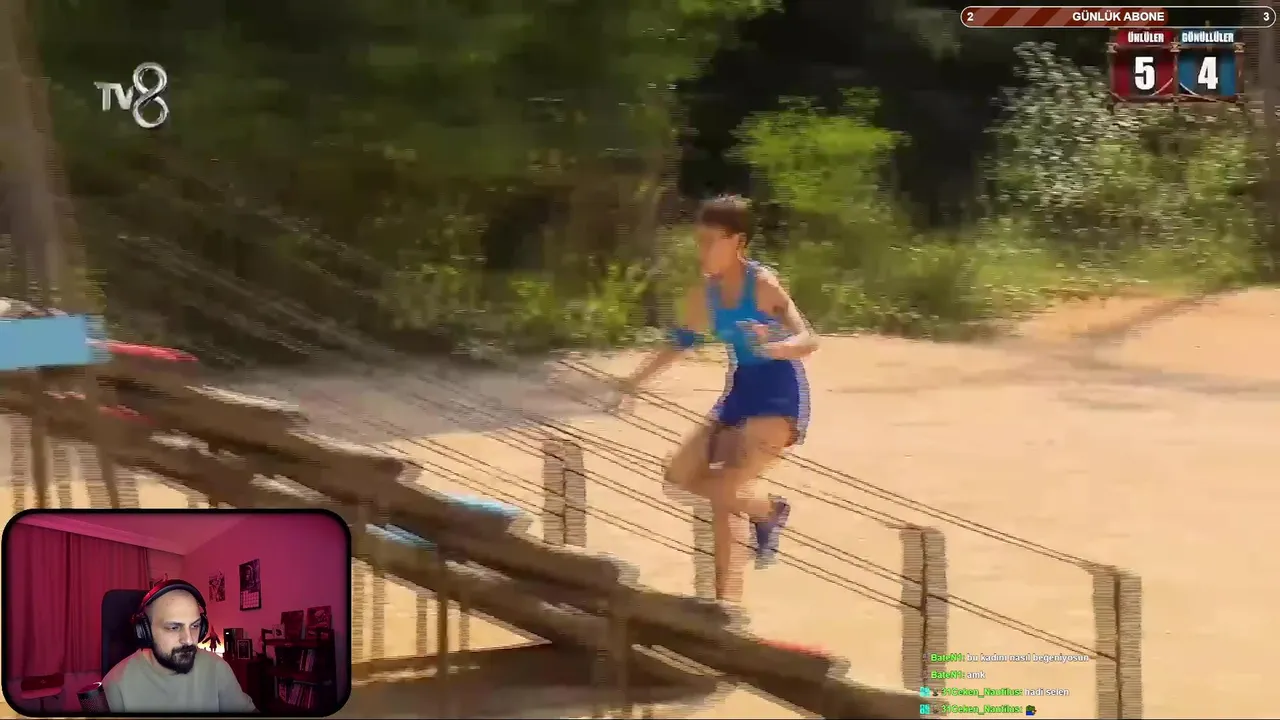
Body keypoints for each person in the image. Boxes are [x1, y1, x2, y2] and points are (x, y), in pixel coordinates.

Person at [614, 194, 818, 602]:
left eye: (711, 241)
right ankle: (768, 510)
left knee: (725, 490)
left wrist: (777, 346)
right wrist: (634, 381)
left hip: (780, 395)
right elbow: (680, 342)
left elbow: (808, 338)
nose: (702, 250)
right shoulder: (704, 294)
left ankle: (726, 604)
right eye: (699, 240)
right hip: (739, 391)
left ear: (737, 242)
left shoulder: (762, 285)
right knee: (679, 476)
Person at [103, 580, 257, 713]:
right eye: (174, 628)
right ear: (145, 632)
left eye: (195, 626)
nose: (189, 640)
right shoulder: (115, 685)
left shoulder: (217, 668)